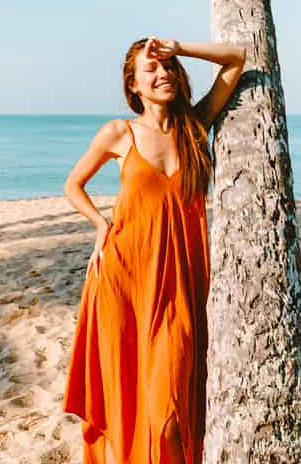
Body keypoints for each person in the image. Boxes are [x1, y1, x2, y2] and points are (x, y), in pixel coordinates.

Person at [62, 36, 247, 464]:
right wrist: (100, 225)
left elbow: (236, 59)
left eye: (167, 68)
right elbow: (73, 186)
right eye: (151, 69)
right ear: (134, 86)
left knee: (170, 405)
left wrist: (178, 47)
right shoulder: (118, 133)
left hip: (182, 282)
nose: (162, 74)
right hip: (122, 280)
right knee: (130, 391)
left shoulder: (196, 124)